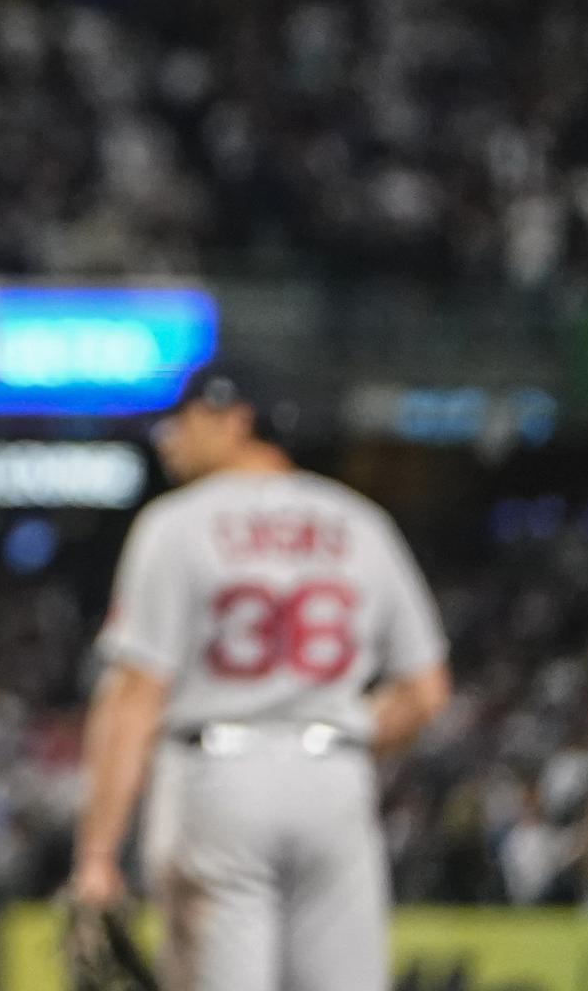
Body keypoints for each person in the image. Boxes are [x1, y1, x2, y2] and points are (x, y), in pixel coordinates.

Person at [68, 370, 453, 991]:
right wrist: (329, 738)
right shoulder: (359, 521)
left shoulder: (177, 524)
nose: (167, 438)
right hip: (335, 776)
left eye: (183, 420)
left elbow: (135, 697)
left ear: (235, 418)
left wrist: (95, 857)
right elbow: (427, 693)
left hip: (218, 775)